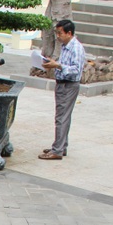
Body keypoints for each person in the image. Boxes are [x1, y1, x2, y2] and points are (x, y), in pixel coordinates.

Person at [40, 19, 86, 161]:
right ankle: (61, 146)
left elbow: (76, 70)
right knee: (63, 116)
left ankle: (57, 150)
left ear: (69, 33)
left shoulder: (76, 48)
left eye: (60, 33)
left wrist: (58, 66)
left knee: (61, 117)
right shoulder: (65, 47)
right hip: (61, 84)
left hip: (68, 85)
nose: (58, 36)